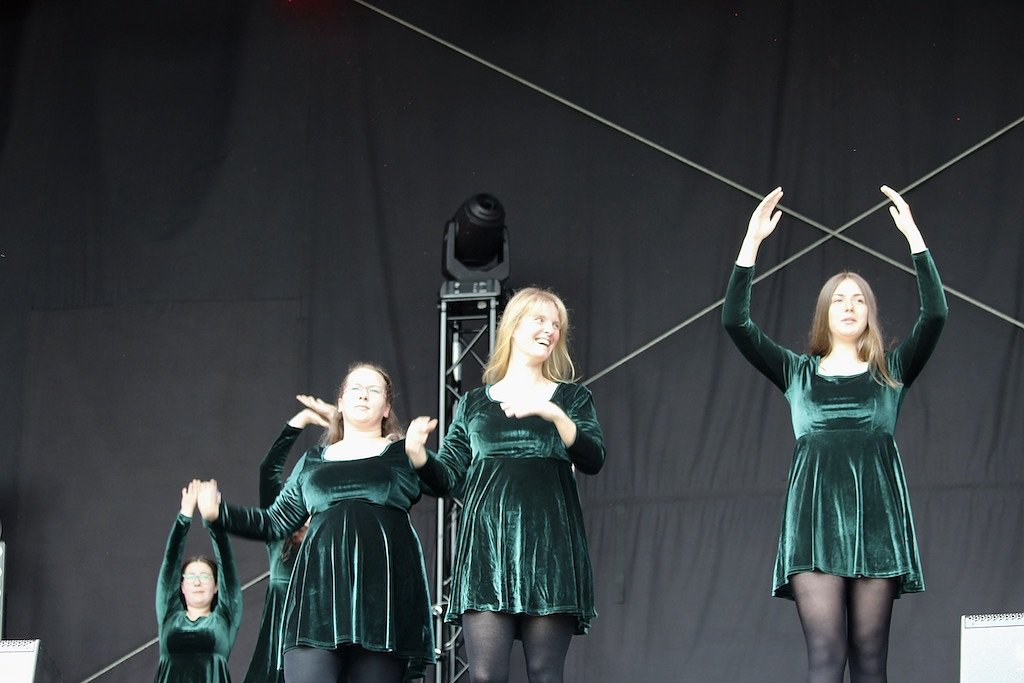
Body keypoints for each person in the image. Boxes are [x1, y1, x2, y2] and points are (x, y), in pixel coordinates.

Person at [722, 185, 948, 682]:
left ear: (869, 313)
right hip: (814, 526)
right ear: (824, 312)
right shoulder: (796, 372)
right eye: (838, 299)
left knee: (870, 664)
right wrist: (751, 242)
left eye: (858, 299)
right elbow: (735, 322)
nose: (849, 306)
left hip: (876, 526)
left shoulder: (891, 371)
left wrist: (914, 237)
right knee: (825, 661)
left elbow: (935, 315)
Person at [406, 286, 606, 683]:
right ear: (513, 326)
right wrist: (418, 456)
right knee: (484, 676)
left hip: (549, 551)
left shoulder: (572, 398)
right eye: (539, 320)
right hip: (487, 552)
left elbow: (593, 458)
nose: (550, 330)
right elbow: (449, 477)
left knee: (544, 673)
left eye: (556, 324)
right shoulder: (474, 404)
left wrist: (555, 415)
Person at [201, 363, 435, 683]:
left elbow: (445, 482)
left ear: (386, 408)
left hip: (381, 605)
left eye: (374, 390)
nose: (363, 395)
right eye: (355, 388)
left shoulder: (403, 454)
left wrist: (420, 453)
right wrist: (220, 514)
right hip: (317, 603)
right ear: (340, 402)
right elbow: (275, 521)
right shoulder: (313, 461)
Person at [242, 397, 324, 683]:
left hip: (319, 627)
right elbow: (268, 470)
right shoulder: (279, 530)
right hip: (278, 634)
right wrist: (301, 421)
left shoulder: (330, 531)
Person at [155, 479, 242, 682]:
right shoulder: (169, 615)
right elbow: (170, 563)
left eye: (204, 576)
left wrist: (214, 521)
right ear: (182, 586)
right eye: (191, 577)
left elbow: (227, 566)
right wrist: (184, 515)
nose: (197, 582)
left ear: (216, 586)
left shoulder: (225, 617)